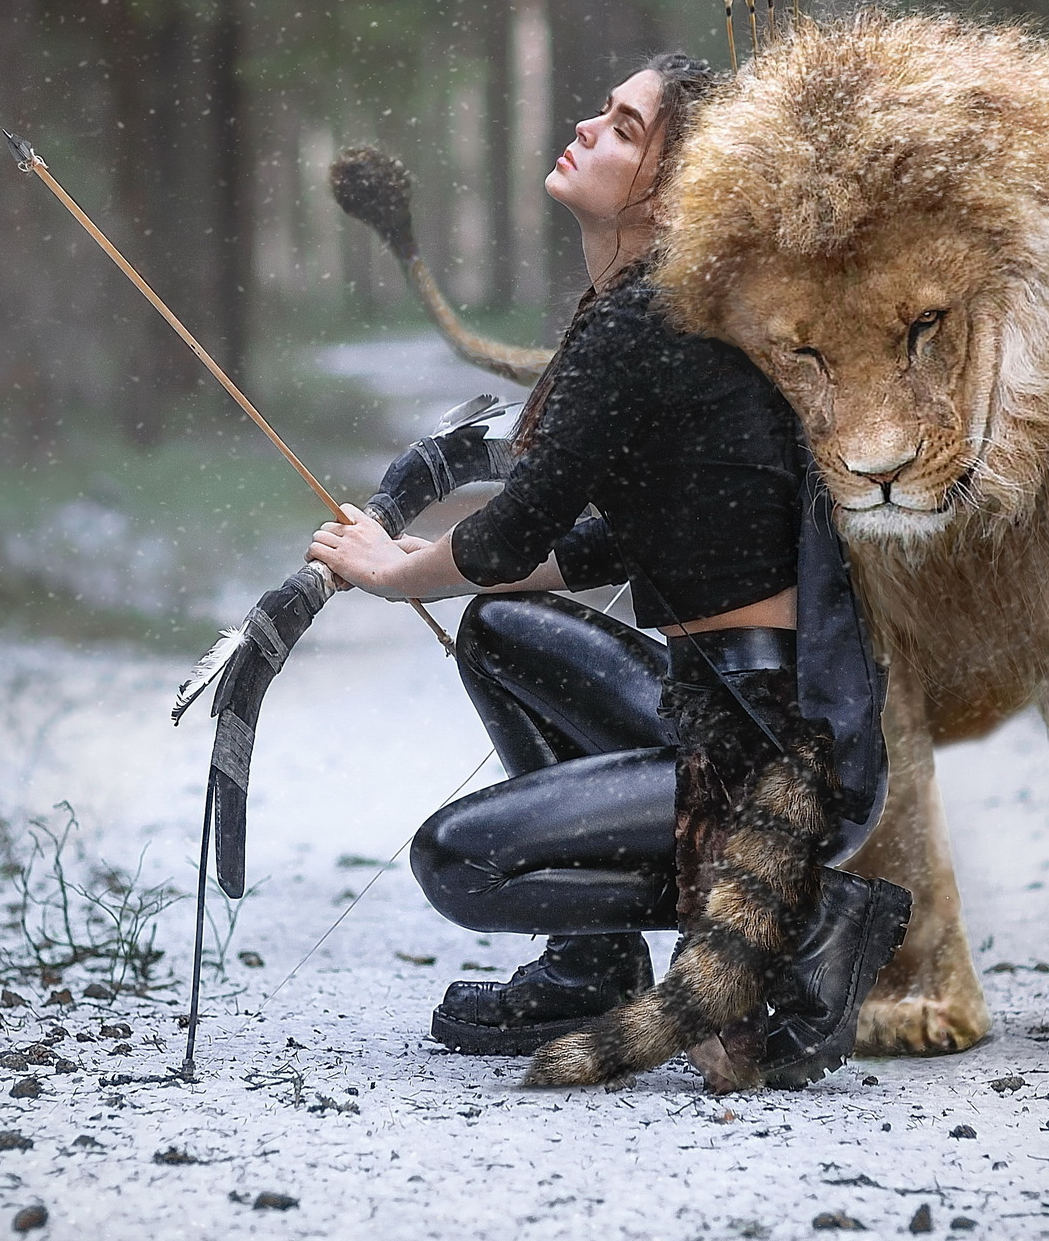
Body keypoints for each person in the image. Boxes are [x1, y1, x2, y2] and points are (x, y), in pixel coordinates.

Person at [308, 54, 907, 1092]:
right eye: (605, 112)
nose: (588, 126)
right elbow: (607, 544)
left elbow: (501, 539)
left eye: (624, 129)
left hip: (772, 764)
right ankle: (594, 966)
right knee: (498, 627)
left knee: (460, 860)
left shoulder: (644, 324)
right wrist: (427, 562)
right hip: (724, 711)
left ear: (673, 195)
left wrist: (392, 571)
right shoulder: (648, 313)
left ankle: (800, 927)